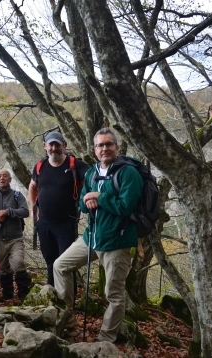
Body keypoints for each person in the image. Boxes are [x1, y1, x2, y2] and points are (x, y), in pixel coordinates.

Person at [53, 127, 143, 342]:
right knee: (60, 266)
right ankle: (68, 320)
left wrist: (98, 197)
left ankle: (105, 340)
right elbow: (83, 202)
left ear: (117, 147)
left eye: (109, 144)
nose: (105, 148)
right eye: (100, 145)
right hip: (92, 237)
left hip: (117, 240)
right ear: (94, 150)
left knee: (114, 294)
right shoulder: (92, 172)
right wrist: (87, 199)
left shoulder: (129, 173)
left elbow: (126, 206)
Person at [28, 131, 89, 287]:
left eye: (57, 144)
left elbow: (93, 177)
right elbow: (32, 186)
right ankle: (52, 299)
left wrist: (91, 197)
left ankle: (68, 304)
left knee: (65, 264)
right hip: (44, 224)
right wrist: (33, 209)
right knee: (50, 262)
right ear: (45, 146)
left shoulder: (75, 165)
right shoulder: (40, 166)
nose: (54, 148)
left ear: (64, 145)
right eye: (51, 145)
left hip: (65, 224)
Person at [0, 169, 31, 302]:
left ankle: (23, 293)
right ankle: (7, 294)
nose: (2, 178)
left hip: (15, 238)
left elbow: (25, 212)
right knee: (3, 268)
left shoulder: (17, 195)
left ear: (10, 179)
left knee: (18, 263)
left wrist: (7, 212)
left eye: (5, 176)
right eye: (0, 176)